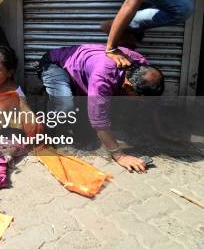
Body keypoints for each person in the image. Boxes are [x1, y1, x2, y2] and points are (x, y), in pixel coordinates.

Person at [38, 44, 164, 172]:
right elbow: (99, 120)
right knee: (66, 108)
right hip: (55, 64)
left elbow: (152, 103)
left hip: (82, 68)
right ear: (128, 86)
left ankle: (70, 93)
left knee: (91, 119)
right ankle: (46, 126)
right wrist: (119, 155)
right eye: (138, 98)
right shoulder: (102, 78)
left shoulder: (144, 68)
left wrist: (160, 131)